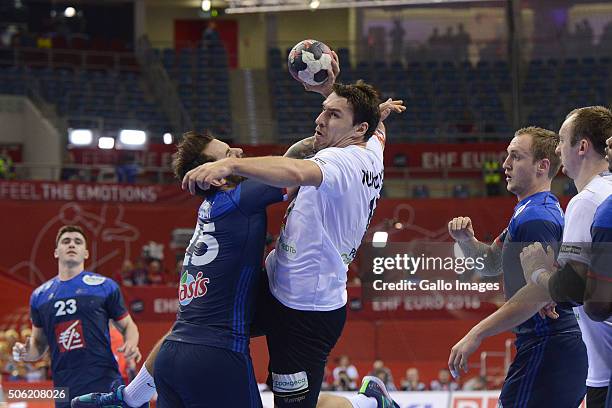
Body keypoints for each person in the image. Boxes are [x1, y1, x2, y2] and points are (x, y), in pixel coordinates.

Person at [183, 50, 405, 408]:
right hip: (275, 285)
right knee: (197, 324)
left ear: (356, 130)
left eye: (332, 115)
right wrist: (334, 89)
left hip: (306, 313)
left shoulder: (342, 161)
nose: (320, 120)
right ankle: (132, 395)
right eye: (323, 111)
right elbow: (376, 127)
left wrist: (227, 164)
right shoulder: (371, 145)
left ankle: (370, 403)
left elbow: (295, 171)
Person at [447, 126, 588, 407]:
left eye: (516, 157)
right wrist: (466, 240)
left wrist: (476, 333)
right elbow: (490, 263)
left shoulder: (536, 217)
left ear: (542, 166)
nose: (505, 164)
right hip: (549, 345)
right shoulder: (527, 211)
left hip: (550, 344)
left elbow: (538, 293)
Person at [519, 107, 612, 408]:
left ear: (582, 147)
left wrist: (539, 276)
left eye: (562, 139)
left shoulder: (586, 201)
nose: (558, 148)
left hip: (606, 371)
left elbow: (573, 288)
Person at [12, 225, 141, 408]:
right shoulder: (39, 296)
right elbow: (38, 345)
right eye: (66, 241)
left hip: (104, 381)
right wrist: (27, 353)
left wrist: (131, 343)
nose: (72, 244)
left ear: (86, 253)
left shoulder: (105, 286)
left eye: (77, 242)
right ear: (56, 252)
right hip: (64, 388)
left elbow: (128, 325)